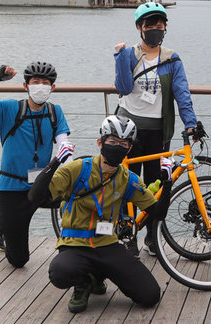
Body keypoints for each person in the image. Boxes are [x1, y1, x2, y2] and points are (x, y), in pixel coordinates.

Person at [32, 116, 161, 313]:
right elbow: (35, 197)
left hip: (107, 244)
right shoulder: (78, 169)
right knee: (60, 272)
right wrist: (56, 160)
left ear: (129, 149)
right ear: (100, 143)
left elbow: (158, 213)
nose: (118, 147)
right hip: (75, 244)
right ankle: (83, 282)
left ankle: (98, 274)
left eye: (123, 143)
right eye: (112, 142)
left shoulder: (128, 179)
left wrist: (167, 183)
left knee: (150, 295)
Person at [0, 61, 73, 268]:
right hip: (11, 188)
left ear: (53, 88)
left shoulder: (54, 111)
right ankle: (4, 231)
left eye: (46, 83)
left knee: (78, 196)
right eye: (36, 82)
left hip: (41, 185)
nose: (41, 86)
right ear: (26, 86)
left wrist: (65, 151)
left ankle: (75, 245)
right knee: (19, 260)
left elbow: (63, 141)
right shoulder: (9, 108)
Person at [114, 1, 198, 256]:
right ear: (139, 27)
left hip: (158, 132)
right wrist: (119, 57)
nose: (155, 29)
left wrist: (191, 123)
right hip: (127, 130)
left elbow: (182, 93)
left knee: (156, 185)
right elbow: (123, 87)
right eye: (150, 24)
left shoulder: (172, 59)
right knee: (125, 182)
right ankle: (126, 234)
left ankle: (151, 235)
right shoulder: (129, 54)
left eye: (160, 24)